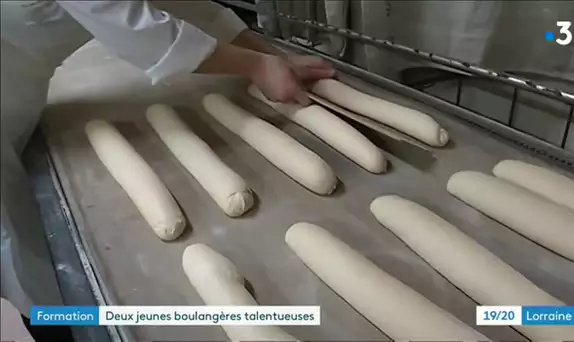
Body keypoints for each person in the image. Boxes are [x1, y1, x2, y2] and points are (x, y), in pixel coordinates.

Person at [0, 1, 334, 341]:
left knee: (28, 248)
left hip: (16, 91)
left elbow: (185, 6)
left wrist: (272, 60)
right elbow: (133, 27)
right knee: (26, 262)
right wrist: (256, 66)